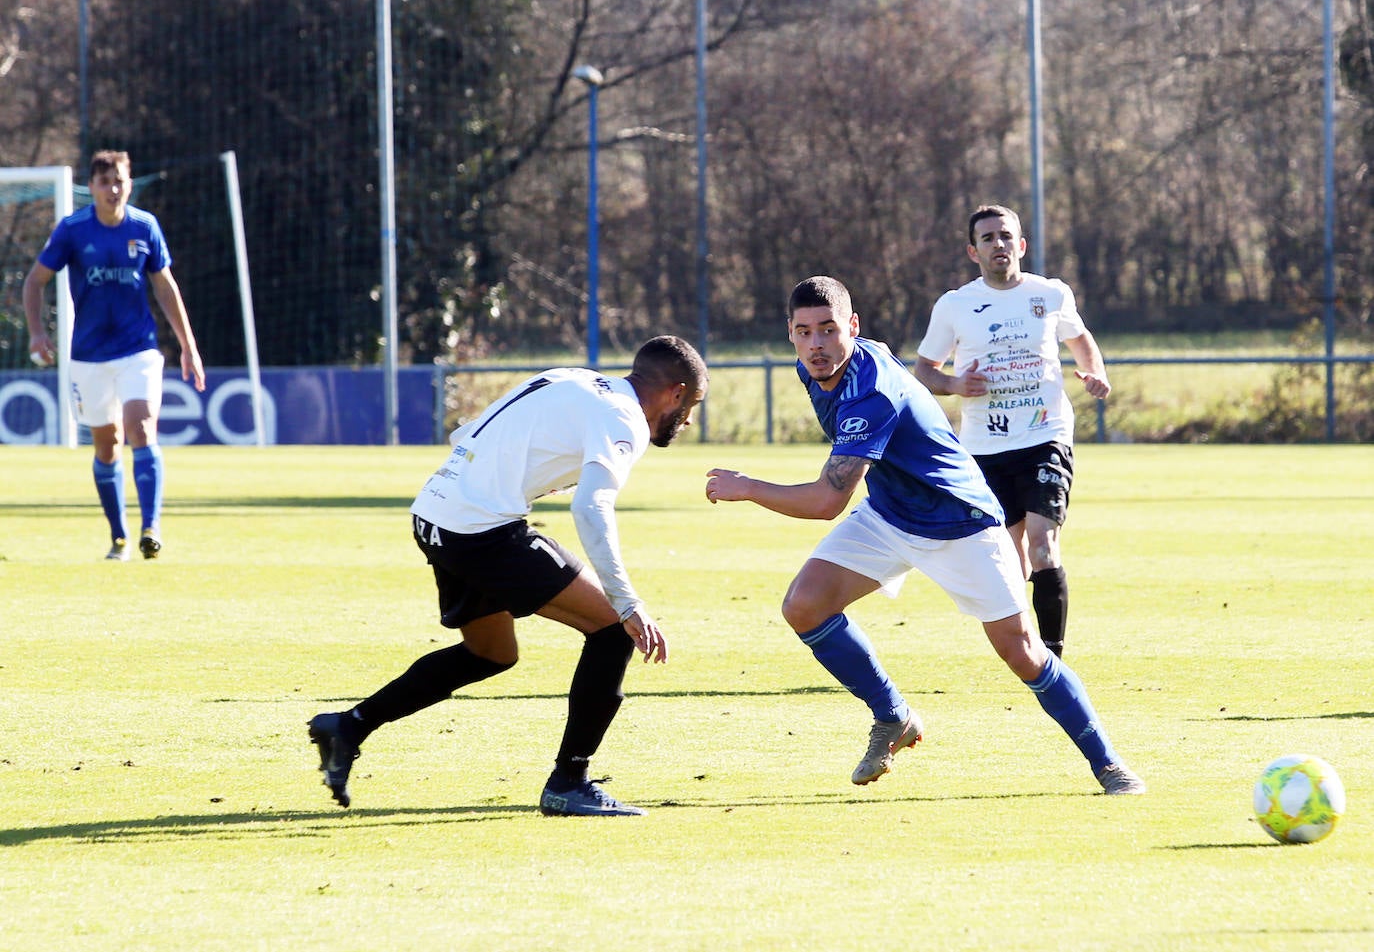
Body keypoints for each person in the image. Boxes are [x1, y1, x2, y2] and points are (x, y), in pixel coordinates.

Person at [705, 276, 1143, 794]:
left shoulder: (870, 390)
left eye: (828, 329)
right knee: (805, 605)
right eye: (804, 332)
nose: (817, 344)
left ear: (853, 326)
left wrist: (749, 487)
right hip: (891, 514)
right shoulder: (815, 368)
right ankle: (892, 715)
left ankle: (1110, 764)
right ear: (791, 335)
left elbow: (827, 502)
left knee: (1022, 651)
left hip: (960, 522)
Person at [308, 336, 708, 816]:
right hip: (480, 529)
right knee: (611, 629)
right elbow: (592, 506)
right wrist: (628, 601)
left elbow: (467, 434)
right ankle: (570, 782)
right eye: (691, 408)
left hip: (435, 513)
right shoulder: (625, 419)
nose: (685, 422)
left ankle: (348, 726)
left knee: (491, 653)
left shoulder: (574, 378)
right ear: (676, 392)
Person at [914, 205, 1110, 658]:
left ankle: (1052, 655)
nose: (998, 244)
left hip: (1045, 436)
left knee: (1043, 544)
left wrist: (1093, 372)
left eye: (1006, 236)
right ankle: (1023, 648)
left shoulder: (1050, 294)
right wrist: (955, 384)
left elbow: (1080, 339)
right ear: (973, 250)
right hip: (984, 448)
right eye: (988, 238)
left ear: (1020, 245)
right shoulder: (955, 305)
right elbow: (925, 370)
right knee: (1008, 557)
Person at [23, 149, 206, 561]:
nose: (114, 188)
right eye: (105, 182)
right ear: (91, 188)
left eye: (120, 180)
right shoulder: (72, 231)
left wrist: (188, 346)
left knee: (141, 428)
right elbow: (34, 282)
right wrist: (36, 334)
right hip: (88, 356)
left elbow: (165, 287)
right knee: (107, 446)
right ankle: (119, 535)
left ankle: (151, 528)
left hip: (137, 349)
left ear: (129, 182)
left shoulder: (145, 227)